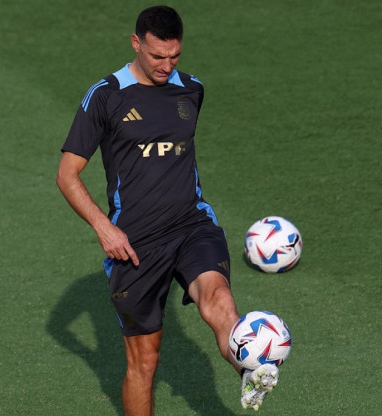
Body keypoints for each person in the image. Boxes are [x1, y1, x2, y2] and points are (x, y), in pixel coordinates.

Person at [56, 6, 279, 414]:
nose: (167, 65)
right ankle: (250, 366)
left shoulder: (191, 89)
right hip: (135, 243)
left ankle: (251, 368)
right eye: (158, 56)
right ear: (136, 43)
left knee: (219, 298)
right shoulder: (105, 96)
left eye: (174, 56)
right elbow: (67, 174)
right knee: (145, 362)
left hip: (192, 224)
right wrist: (104, 228)